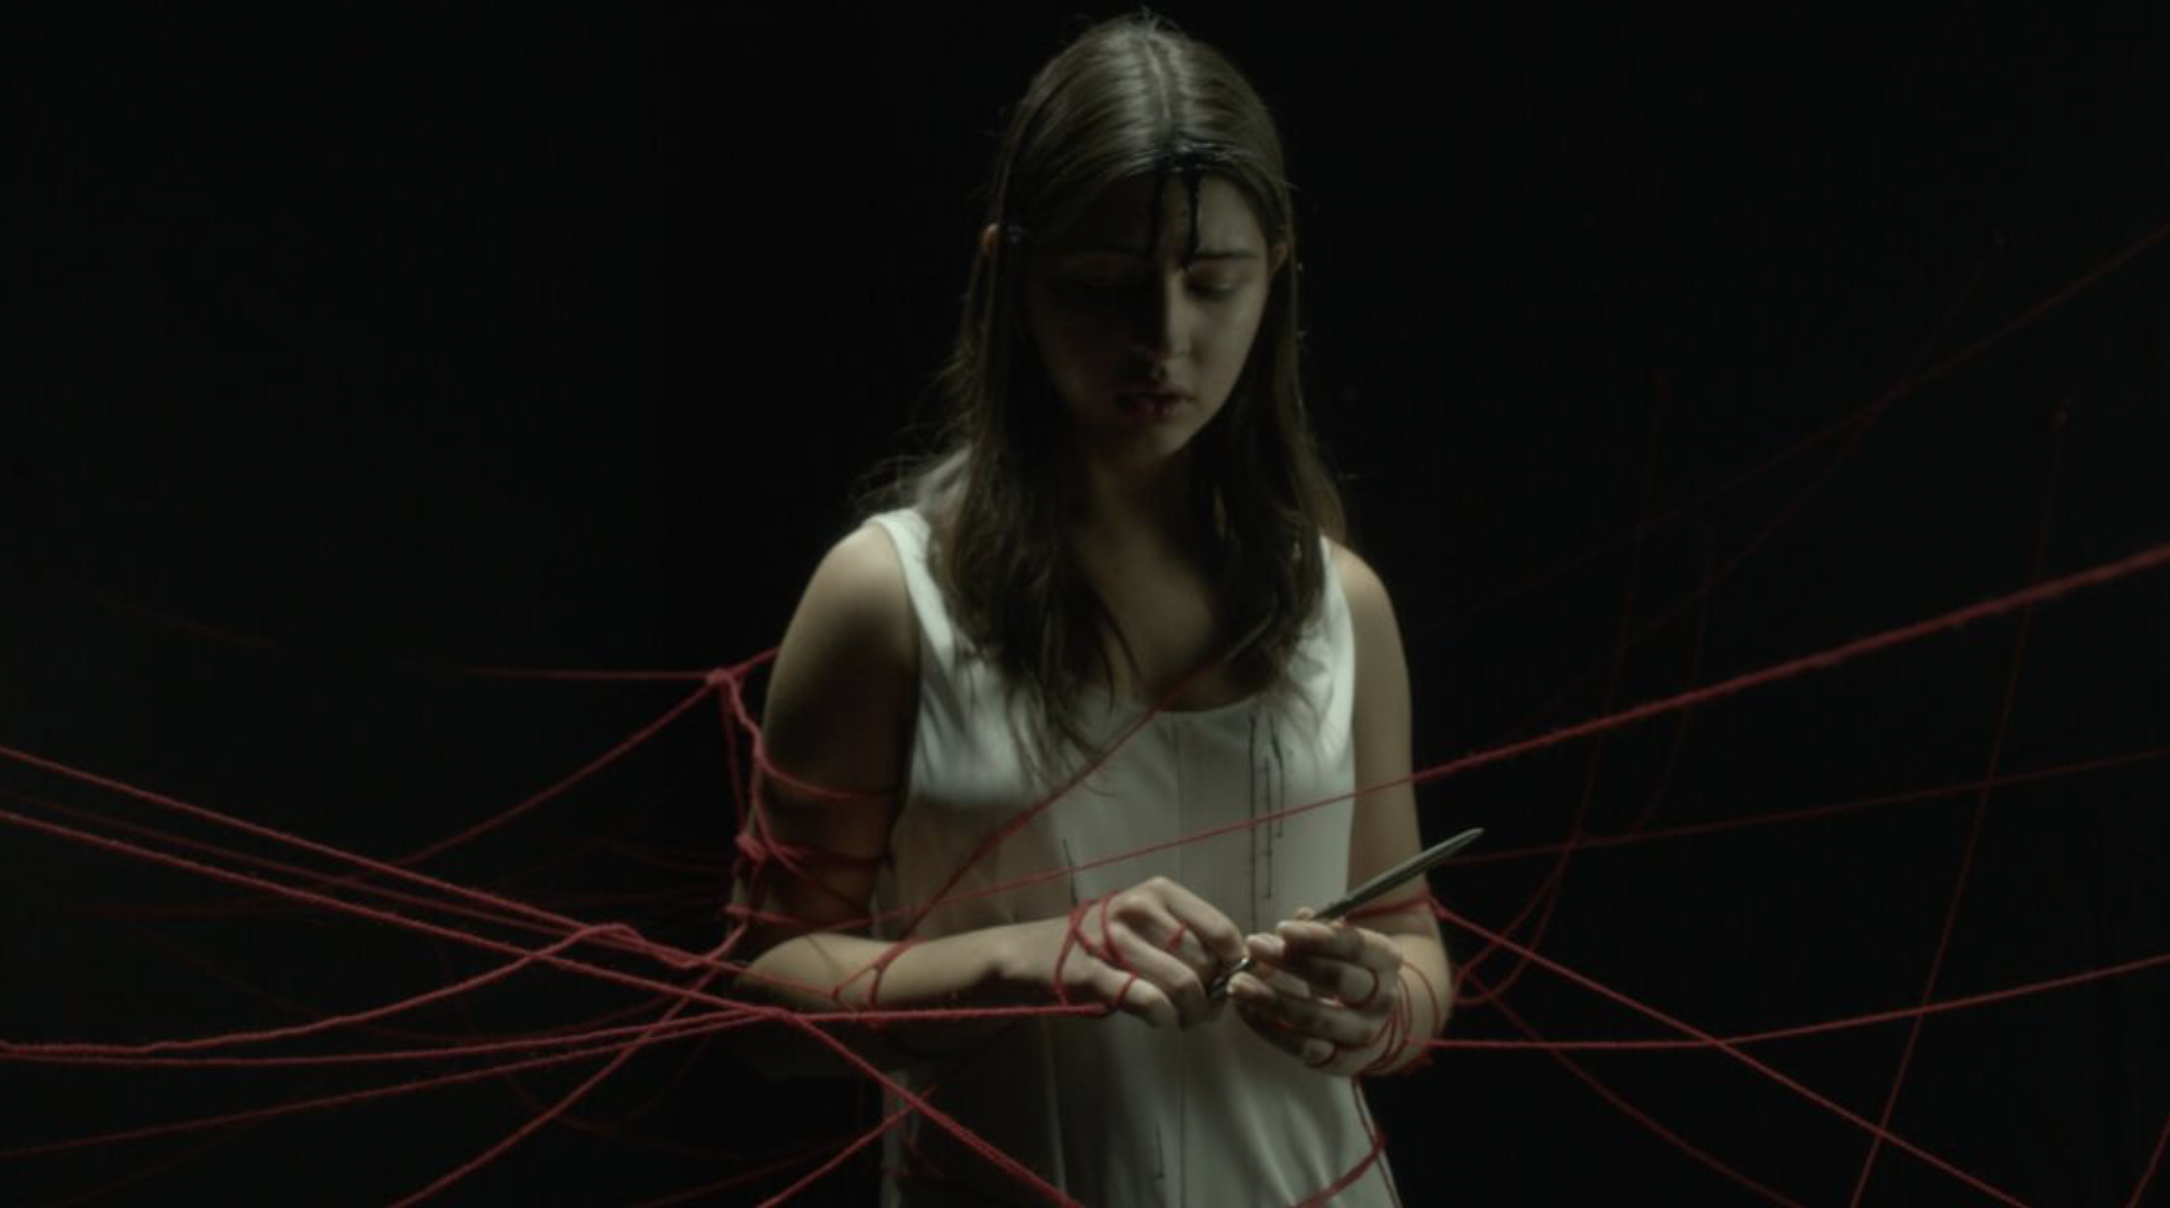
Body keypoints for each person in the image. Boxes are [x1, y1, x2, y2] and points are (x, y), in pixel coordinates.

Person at [729, 12, 1452, 1206]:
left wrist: (1378, 1003)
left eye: (1212, 283)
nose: (1162, 336)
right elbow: (759, 998)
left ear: (1275, 275)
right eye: (1102, 286)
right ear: (1009, 276)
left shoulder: (1340, 604)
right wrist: (1024, 959)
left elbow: (1414, 938)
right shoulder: (888, 599)